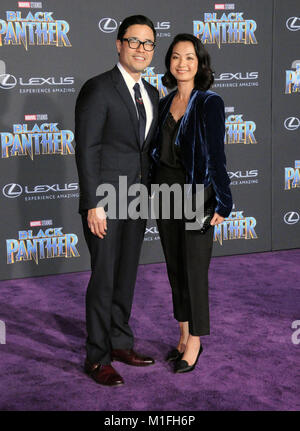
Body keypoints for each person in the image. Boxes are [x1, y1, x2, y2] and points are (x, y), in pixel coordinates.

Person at [75, 15, 159, 387]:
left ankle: (121, 342)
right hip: (105, 202)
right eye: (134, 41)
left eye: (148, 43)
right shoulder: (99, 88)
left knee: (125, 277)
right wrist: (93, 203)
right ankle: (97, 357)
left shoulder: (152, 93)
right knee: (104, 279)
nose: (141, 49)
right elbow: (87, 149)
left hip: (137, 201)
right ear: (118, 44)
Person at [150, 34, 232, 373]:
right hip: (164, 193)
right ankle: (183, 335)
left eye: (189, 57)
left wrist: (224, 201)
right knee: (174, 267)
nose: (181, 63)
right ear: (169, 63)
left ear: (200, 64)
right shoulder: (164, 101)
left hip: (196, 196)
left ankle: (196, 340)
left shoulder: (209, 102)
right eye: (175, 57)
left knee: (195, 271)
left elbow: (216, 155)